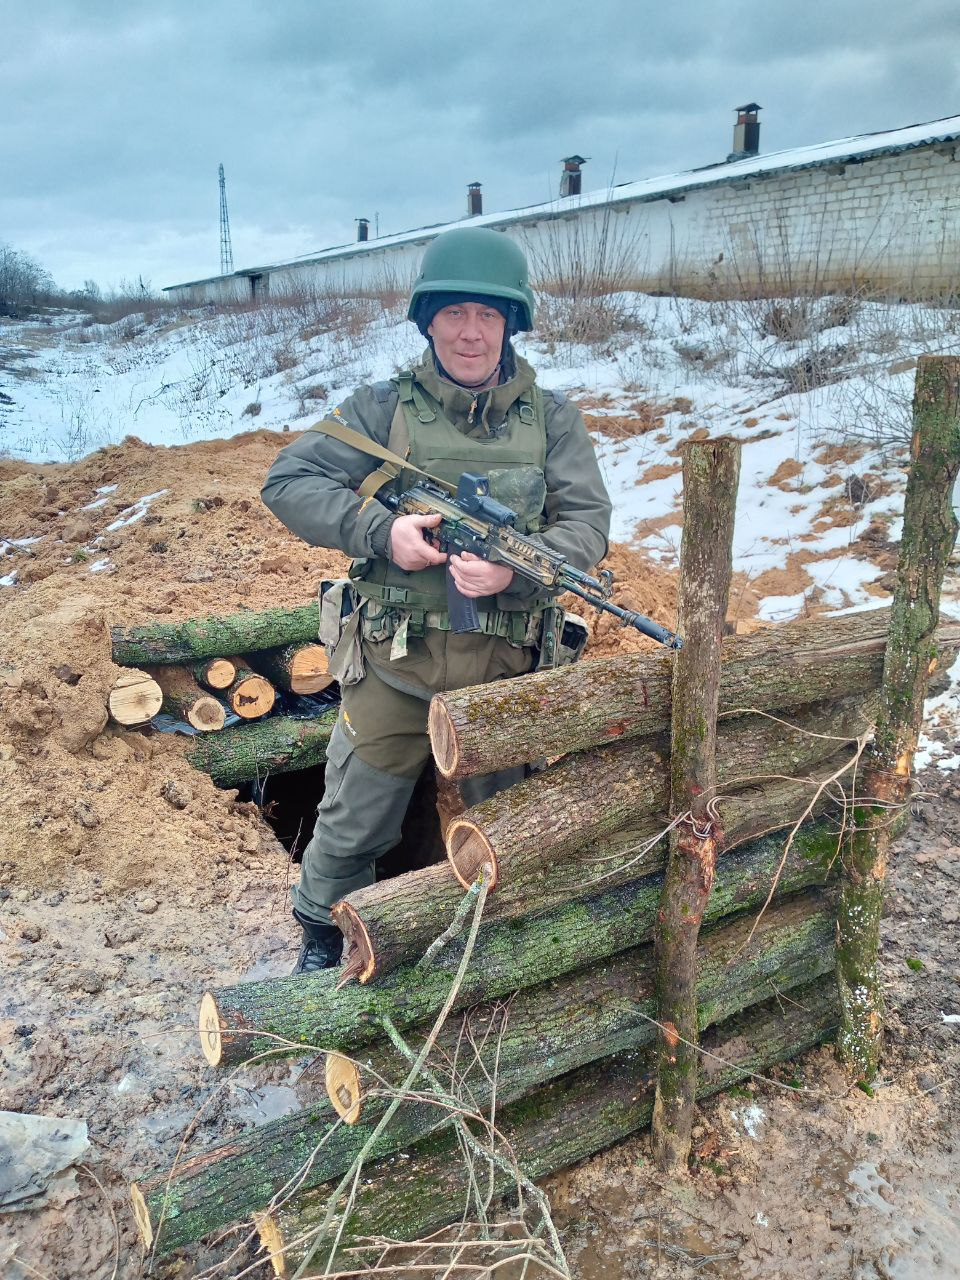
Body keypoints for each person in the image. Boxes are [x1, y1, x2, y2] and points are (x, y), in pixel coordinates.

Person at [261, 226, 612, 973]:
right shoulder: (382, 410)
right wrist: (383, 531)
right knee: (351, 826)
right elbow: (288, 482)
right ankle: (326, 950)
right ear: (428, 320)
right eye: (455, 313)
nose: (472, 332)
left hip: (502, 669)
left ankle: (508, 956)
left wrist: (516, 573)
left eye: (490, 315)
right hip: (396, 663)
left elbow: (587, 525)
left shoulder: (551, 420)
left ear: (512, 324)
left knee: (512, 832)